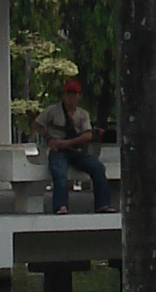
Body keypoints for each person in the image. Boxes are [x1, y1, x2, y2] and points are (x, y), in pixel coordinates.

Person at [40, 76, 110, 213]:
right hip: (58, 150)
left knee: (98, 168)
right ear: (64, 95)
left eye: (74, 94)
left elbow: (88, 134)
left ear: (79, 96)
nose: (71, 97)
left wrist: (69, 143)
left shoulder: (82, 114)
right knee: (59, 172)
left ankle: (103, 204)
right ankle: (61, 205)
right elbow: (38, 125)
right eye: (68, 94)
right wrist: (49, 139)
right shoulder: (53, 111)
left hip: (76, 150)